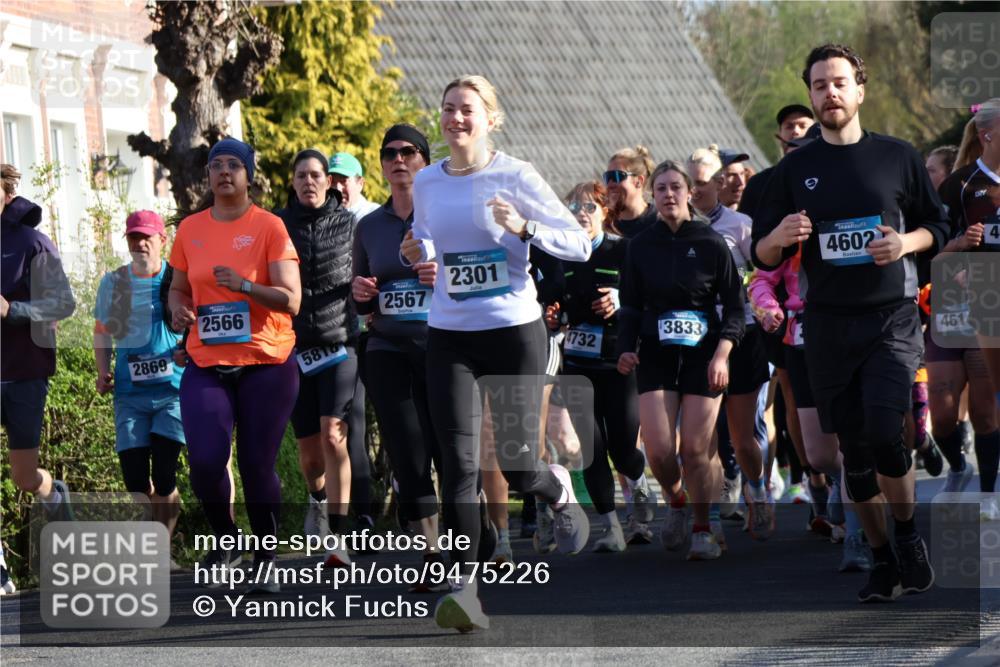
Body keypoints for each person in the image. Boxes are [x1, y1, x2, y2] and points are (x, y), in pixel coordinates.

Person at [752, 44, 944, 602]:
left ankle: (906, 535)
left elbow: (936, 223)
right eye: (819, 85)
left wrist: (905, 242)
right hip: (828, 325)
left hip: (891, 318)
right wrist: (778, 239)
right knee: (854, 455)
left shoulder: (898, 156)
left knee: (888, 435)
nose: (829, 93)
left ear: (859, 90)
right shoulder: (794, 169)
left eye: (839, 83)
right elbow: (761, 256)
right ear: (811, 94)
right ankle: (881, 556)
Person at [400, 75, 591, 633]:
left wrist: (525, 226)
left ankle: (553, 485)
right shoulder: (428, 182)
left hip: (513, 331)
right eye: (448, 109)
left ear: (489, 117)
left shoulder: (516, 174)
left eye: (467, 110)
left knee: (515, 463)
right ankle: (464, 588)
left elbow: (578, 244)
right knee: (456, 464)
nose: (456, 118)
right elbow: (429, 239)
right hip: (450, 333)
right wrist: (418, 249)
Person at [169, 137, 302, 593]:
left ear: (248, 175)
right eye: (216, 165)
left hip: (266, 359)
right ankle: (227, 540)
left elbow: (292, 299)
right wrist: (177, 309)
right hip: (207, 359)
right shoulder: (190, 229)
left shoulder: (269, 227)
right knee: (205, 460)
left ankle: (266, 555)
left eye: (233, 165)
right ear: (208, 176)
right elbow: (178, 289)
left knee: (256, 463)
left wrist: (246, 285)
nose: (224, 172)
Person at [617, 159, 744, 561]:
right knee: (657, 451)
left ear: (689, 193)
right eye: (661, 189)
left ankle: (704, 529)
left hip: (704, 355)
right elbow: (631, 306)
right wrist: (625, 347)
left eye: (676, 187)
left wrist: (724, 351)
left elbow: (736, 308)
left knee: (693, 448)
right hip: (655, 354)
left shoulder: (710, 243)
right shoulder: (640, 246)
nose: (669, 195)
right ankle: (676, 502)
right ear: (652, 196)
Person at [352, 124, 447, 590]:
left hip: (444, 345)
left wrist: (442, 278)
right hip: (387, 347)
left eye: (409, 151)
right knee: (408, 453)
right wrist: (362, 294)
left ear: (424, 161)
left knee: (450, 451)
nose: (399, 159)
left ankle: (470, 534)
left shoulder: (448, 216)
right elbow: (361, 296)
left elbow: (475, 277)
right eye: (390, 153)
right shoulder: (369, 226)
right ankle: (433, 552)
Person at [552, 180, 656, 553]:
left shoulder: (624, 250)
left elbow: (647, 295)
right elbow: (551, 300)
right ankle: (610, 526)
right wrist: (554, 315)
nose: (582, 215)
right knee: (592, 448)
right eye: (575, 208)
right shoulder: (561, 255)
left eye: (589, 208)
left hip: (621, 362)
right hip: (578, 364)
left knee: (623, 448)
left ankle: (639, 481)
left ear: (605, 212)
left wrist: (619, 295)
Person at [275, 148, 360, 567]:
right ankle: (317, 500)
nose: (309, 181)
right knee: (309, 453)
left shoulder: (350, 225)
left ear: (329, 182)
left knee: (334, 434)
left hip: (340, 343)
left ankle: (339, 539)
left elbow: (367, 272)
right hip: (293, 349)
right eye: (301, 175)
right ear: (292, 182)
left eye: (316, 175)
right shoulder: (275, 226)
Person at [688, 146, 773, 540]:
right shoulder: (675, 227)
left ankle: (756, 488)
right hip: (696, 339)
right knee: (701, 438)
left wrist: (742, 299)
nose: (693, 191)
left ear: (720, 183)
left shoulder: (740, 225)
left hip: (742, 335)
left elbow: (760, 276)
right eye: (689, 183)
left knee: (741, 438)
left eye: (701, 184)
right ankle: (713, 517)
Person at [0, 163, 76, 595]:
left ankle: (54, 495)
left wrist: (14, 312)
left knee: (25, 477)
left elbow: (62, 304)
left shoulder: (31, 243)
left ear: (6, 193)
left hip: (24, 372)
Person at [94, 210, 184, 557]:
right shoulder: (113, 283)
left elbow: (195, 326)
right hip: (129, 395)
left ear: (163, 239)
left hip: (171, 392)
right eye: (134, 237)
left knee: (163, 474)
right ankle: (156, 525)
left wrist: (187, 351)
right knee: (135, 482)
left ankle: (160, 548)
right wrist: (102, 371)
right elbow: (101, 332)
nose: (140, 242)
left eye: (147, 236)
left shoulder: (176, 279)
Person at [935, 99, 1000, 499]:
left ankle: (991, 491)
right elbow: (931, 249)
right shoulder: (960, 184)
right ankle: (974, 478)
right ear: (987, 135)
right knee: (968, 408)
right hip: (974, 301)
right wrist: (958, 251)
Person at [604, 145, 656, 239]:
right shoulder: (603, 225)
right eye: (608, 177)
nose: (610, 184)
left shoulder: (660, 222)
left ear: (639, 181)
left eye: (617, 176)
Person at [329, 152, 381, 220]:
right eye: (332, 182)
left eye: (344, 181)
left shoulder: (375, 216)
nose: (337, 188)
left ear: (360, 183)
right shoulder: (318, 216)